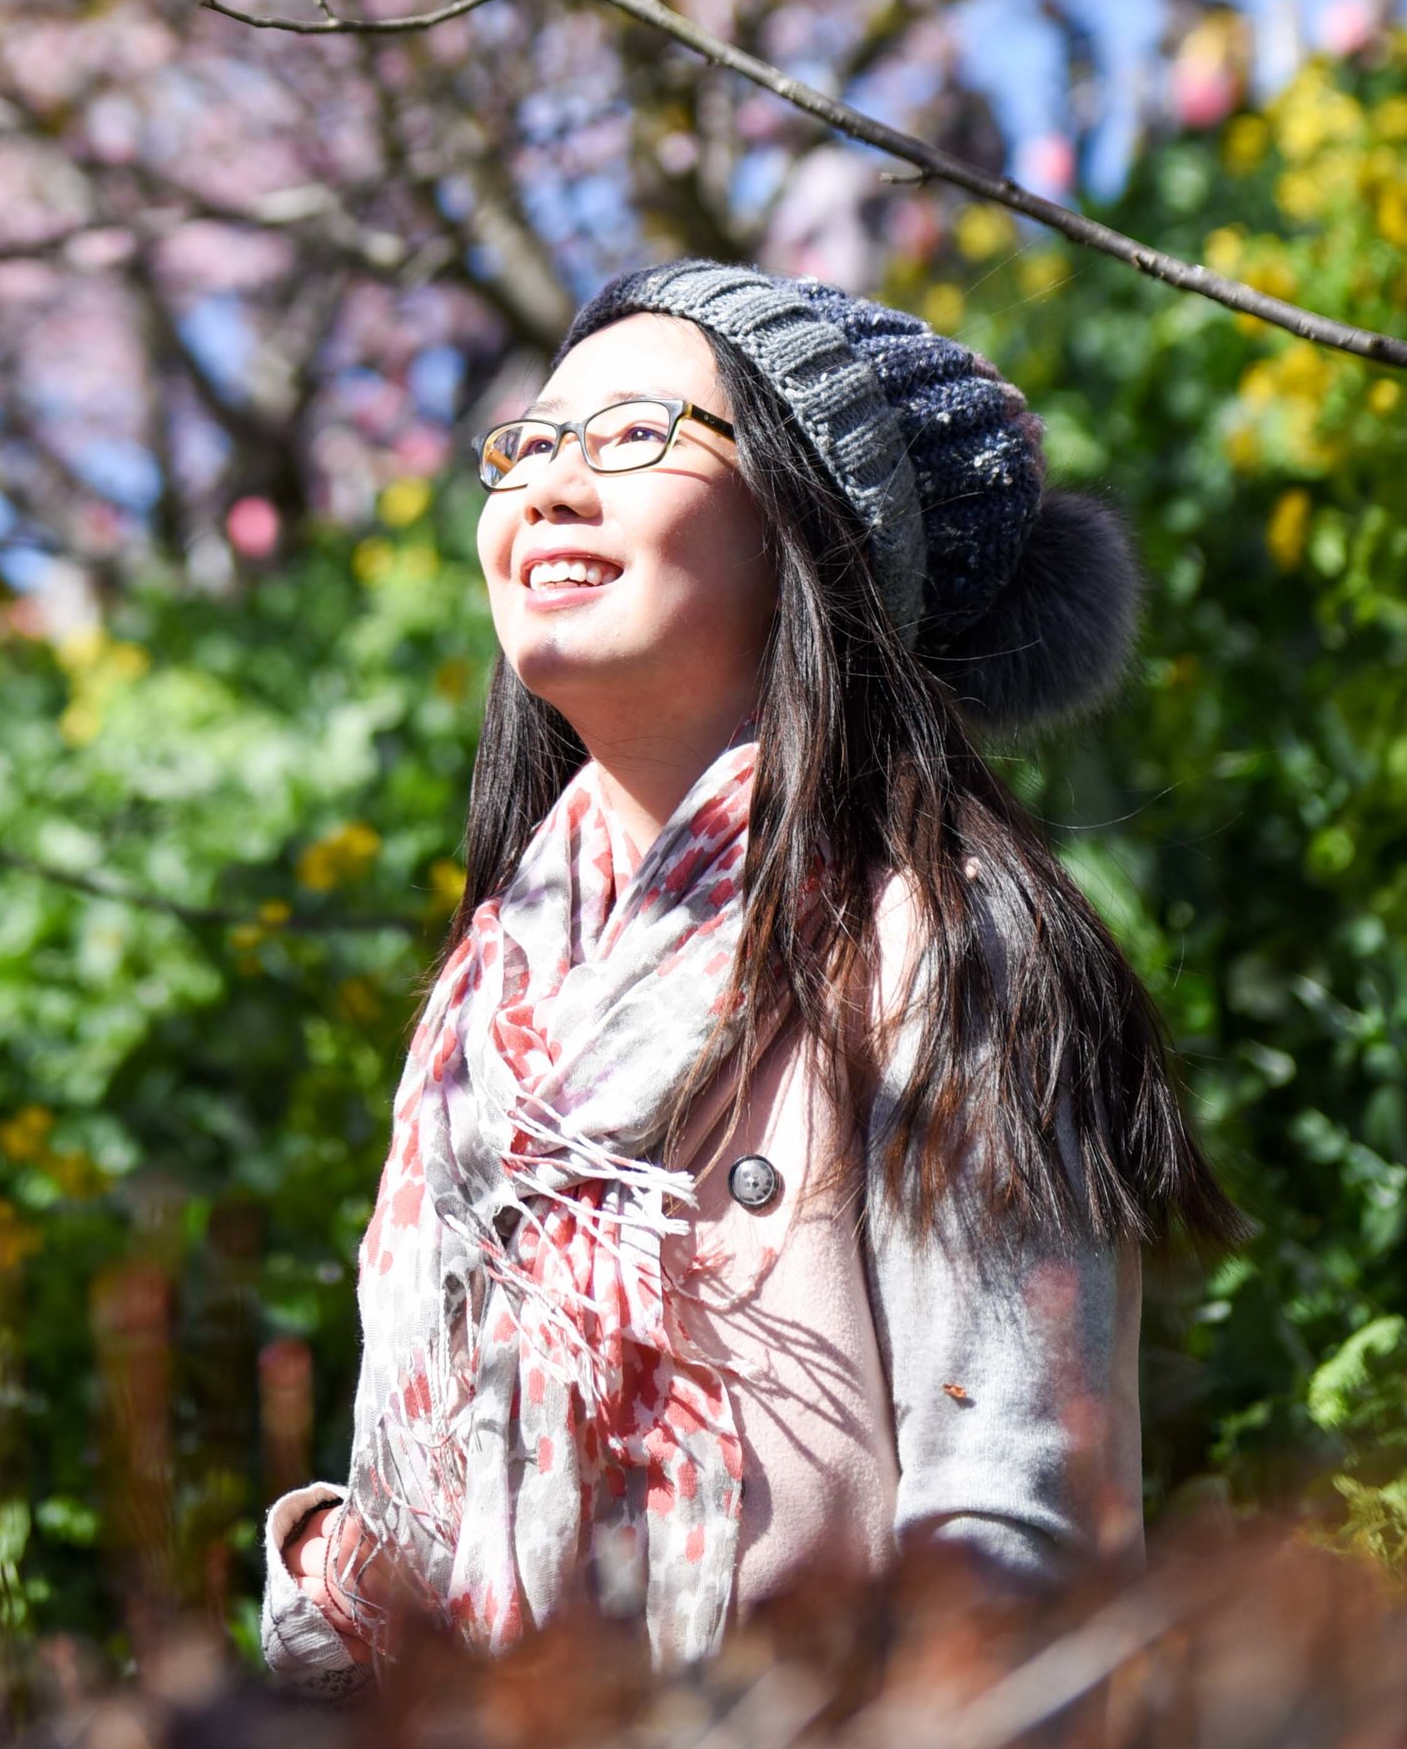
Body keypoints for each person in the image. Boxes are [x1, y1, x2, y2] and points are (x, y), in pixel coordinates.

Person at [261, 260, 1233, 1683]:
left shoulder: (939, 949)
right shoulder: (485, 1019)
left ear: (807, 526)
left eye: (635, 434)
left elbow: (1015, 1531)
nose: (548, 482)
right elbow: (415, 1499)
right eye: (525, 444)